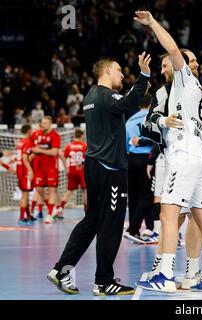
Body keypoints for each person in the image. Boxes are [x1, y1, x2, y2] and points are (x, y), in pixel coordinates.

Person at [134, 11, 202, 293]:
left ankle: (164, 275)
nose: (169, 64)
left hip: (183, 152)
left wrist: (152, 24)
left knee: (168, 212)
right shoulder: (200, 92)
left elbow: (174, 49)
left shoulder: (185, 77)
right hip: (199, 155)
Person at [47, 49, 152, 295]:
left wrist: (136, 92)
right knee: (112, 225)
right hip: (110, 168)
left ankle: (61, 268)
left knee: (92, 220)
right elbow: (127, 103)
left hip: (94, 165)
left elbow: (124, 106)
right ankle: (104, 281)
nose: (122, 75)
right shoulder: (105, 94)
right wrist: (144, 75)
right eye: (118, 70)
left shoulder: (91, 96)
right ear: (106, 71)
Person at [123, 92, 157, 245]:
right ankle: (133, 228)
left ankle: (147, 228)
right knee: (148, 196)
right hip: (147, 159)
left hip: (131, 159)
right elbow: (156, 139)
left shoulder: (129, 120)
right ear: (151, 103)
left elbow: (125, 144)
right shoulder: (152, 117)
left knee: (134, 196)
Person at [31, 117, 61, 224]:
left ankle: (49, 215)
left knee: (52, 190)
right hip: (39, 168)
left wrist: (39, 150)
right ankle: (52, 209)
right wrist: (33, 153)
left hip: (51, 168)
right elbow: (32, 147)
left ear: (50, 124)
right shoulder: (36, 134)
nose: (44, 124)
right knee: (39, 189)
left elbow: (54, 152)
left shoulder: (55, 135)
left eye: (46, 123)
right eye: (42, 123)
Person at [59, 129, 87, 214]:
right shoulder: (84, 145)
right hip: (81, 169)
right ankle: (87, 212)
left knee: (69, 191)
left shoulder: (69, 146)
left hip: (72, 169)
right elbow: (87, 159)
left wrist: (66, 168)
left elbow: (64, 158)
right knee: (85, 191)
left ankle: (60, 210)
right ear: (82, 136)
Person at [15, 125, 36, 225]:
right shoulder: (27, 142)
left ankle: (28, 215)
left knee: (25, 194)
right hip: (25, 172)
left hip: (20, 171)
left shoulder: (20, 142)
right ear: (28, 131)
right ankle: (22, 217)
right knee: (25, 195)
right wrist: (30, 170)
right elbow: (24, 158)